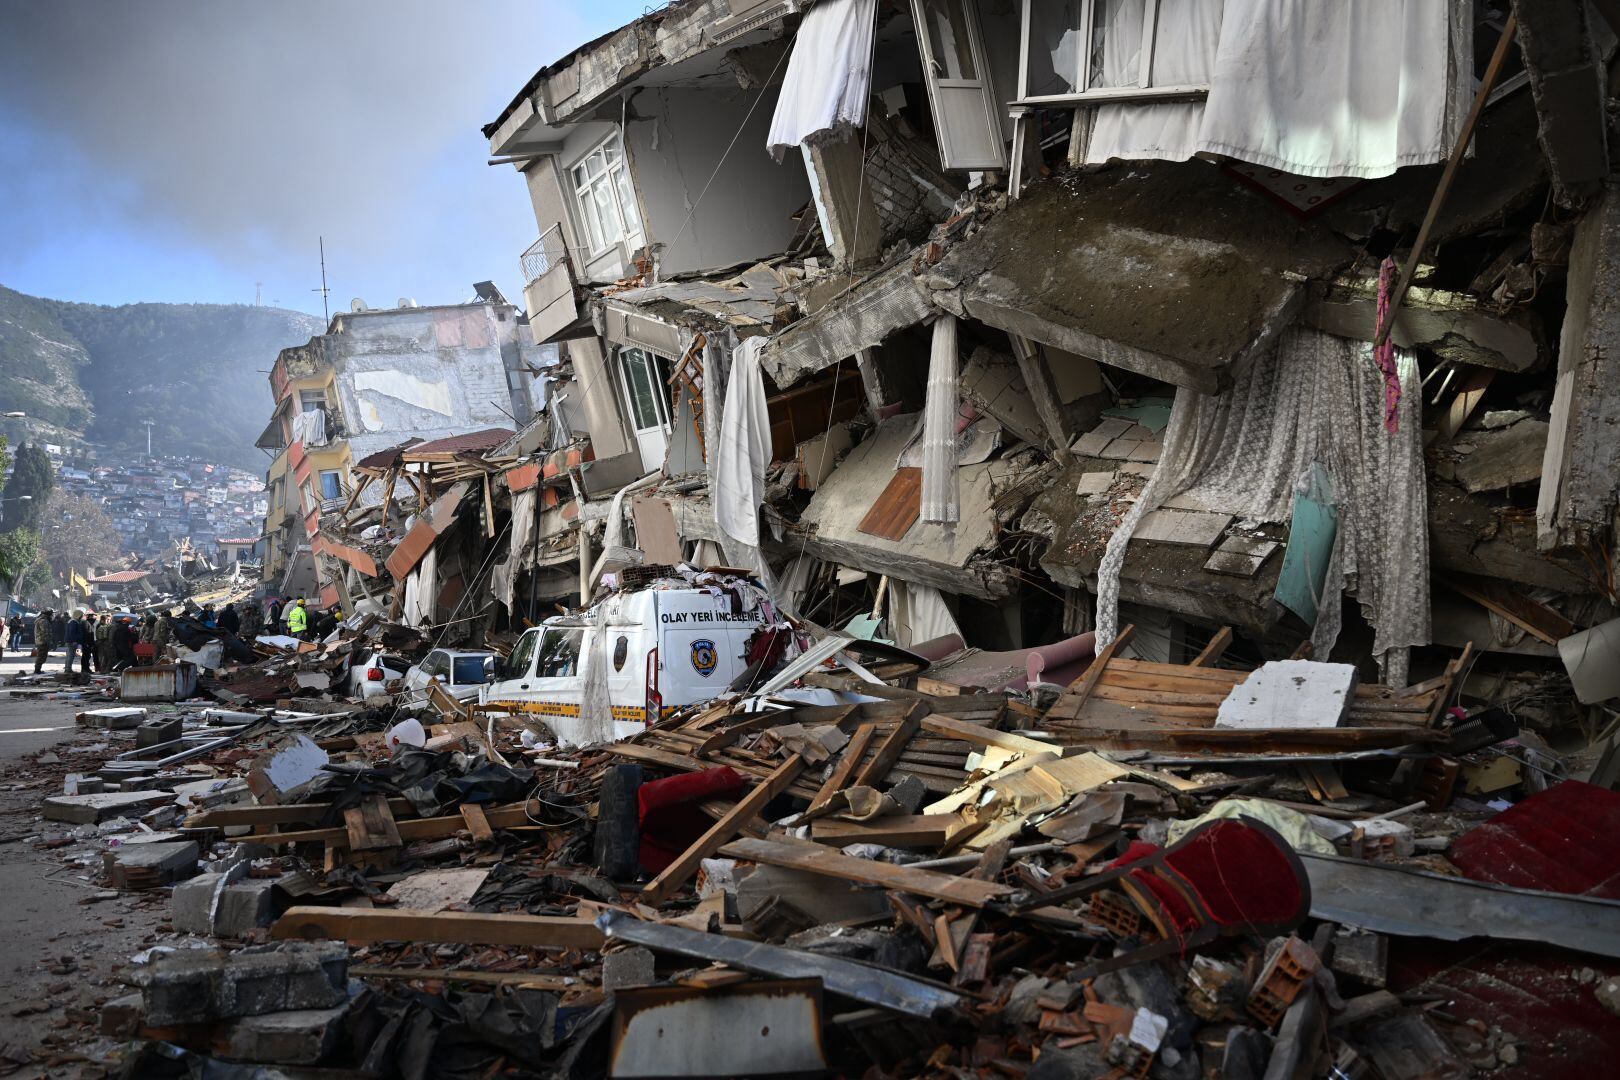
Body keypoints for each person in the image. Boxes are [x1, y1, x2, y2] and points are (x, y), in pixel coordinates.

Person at [32, 609, 55, 674]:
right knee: (41, 656)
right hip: (42, 641)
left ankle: (38, 669)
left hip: (42, 641)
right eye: (52, 614)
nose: (52, 615)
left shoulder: (44, 620)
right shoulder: (43, 621)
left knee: (42, 656)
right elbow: (45, 632)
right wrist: (49, 642)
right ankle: (37, 670)